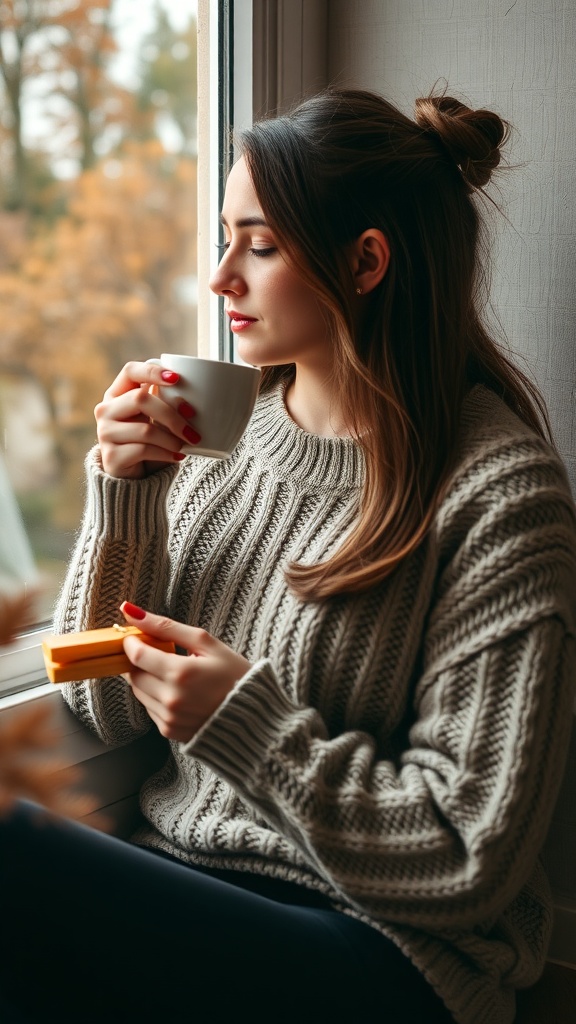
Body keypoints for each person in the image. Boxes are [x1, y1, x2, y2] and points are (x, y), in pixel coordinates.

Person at [1, 86, 575, 1024]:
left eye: (258, 245)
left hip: (385, 952)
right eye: (225, 237)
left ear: (365, 262)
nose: (220, 276)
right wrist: (127, 493)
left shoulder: (500, 494)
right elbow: (99, 710)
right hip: (196, 890)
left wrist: (248, 726)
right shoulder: (222, 438)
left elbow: (470, 854)